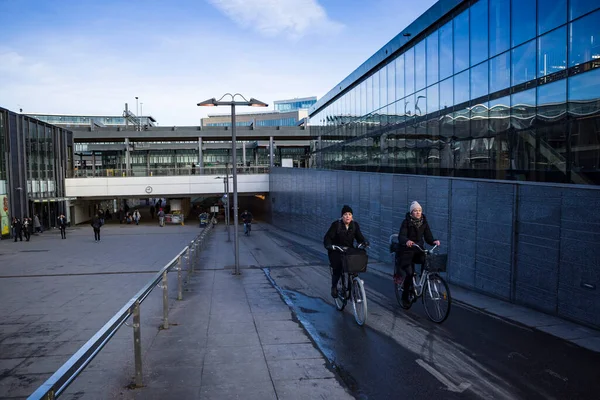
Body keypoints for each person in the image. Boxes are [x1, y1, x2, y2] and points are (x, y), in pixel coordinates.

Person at [395, 201, 441, 307]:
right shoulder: (406, 222)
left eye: (419, 210)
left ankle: (422, 281)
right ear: (411, 213)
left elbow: (428, 236)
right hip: (406, 251)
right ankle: (405, 297)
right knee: (409, 274)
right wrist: (407, 241)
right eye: (415, 211)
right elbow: (401, 236)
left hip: (418, 249)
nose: (418, 212)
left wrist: (434, 241)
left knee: (426, 261)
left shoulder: (424, 222)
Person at [323, 205, 367, 298]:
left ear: (352, 216)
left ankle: (354, 286)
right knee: (338, 267)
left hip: (348, 250)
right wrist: (329, 245)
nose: (347, 216)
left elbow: (360, 237)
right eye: (345, 214)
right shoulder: (336, 225)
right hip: (336, 249)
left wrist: (364, 242)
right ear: (342, 216)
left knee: (354, 266)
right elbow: (328, 237)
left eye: (349, 214)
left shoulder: (354, 225)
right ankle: (334, 287)